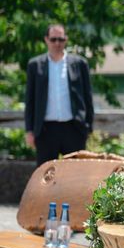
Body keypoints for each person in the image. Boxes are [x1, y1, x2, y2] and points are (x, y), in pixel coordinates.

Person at [25, 24, 94, 166]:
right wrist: (29, 131)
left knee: (76, 175)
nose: (57, 43)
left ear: (66, 40)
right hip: (45, 131)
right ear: (46, 40)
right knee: (46, 177)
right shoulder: (35, 65)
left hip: (74, 129)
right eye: (53, 39)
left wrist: (88, 127)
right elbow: (30, 100)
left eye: (61, 39)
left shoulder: (80, 64)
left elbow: (88, 97)